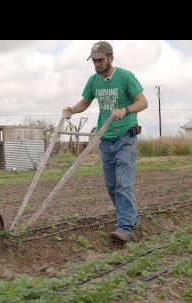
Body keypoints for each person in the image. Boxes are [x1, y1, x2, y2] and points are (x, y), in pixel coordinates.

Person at [63, 41, 148, 243]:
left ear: (111, 57)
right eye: (94, 61)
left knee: (123, 184)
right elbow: (85, 102)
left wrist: (125, 110)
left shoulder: (126, 77)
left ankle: (125, 227)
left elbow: (143, 102)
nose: (97, 64)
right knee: (112, 186)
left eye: (100, 60)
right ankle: (131, 218)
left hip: (125, 137)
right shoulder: (94, 81)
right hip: (106, 139)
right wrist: (72, 110)